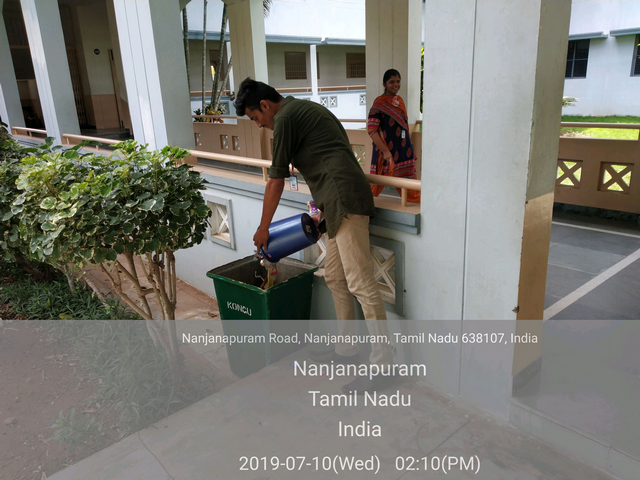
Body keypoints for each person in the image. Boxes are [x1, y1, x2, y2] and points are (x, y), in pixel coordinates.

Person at [234, 77, 394, 394]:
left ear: (264, 105)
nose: (259, 125)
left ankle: (384, 365)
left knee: (361, 283)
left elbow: (275, 180)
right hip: (334, 203)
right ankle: (347, 351)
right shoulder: (302, 108)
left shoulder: (285, 118)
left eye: (255, 118)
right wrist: (322, 209)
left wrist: (263, 228)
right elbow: (330, 155)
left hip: (344, 200)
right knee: (335, 276)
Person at [367, 69, 421, 203]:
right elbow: (372, 130)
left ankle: (419, 209)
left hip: (403, 151)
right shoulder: (379, 103)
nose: (395, 85)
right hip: (386, 152)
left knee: (410, 186)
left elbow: (404, 127)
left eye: (398, 81)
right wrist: (385, 152)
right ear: (384, 84)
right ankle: (362, 208)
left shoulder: (400, 101)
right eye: (391, 82)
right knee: (375, 186)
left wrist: (409, 147)